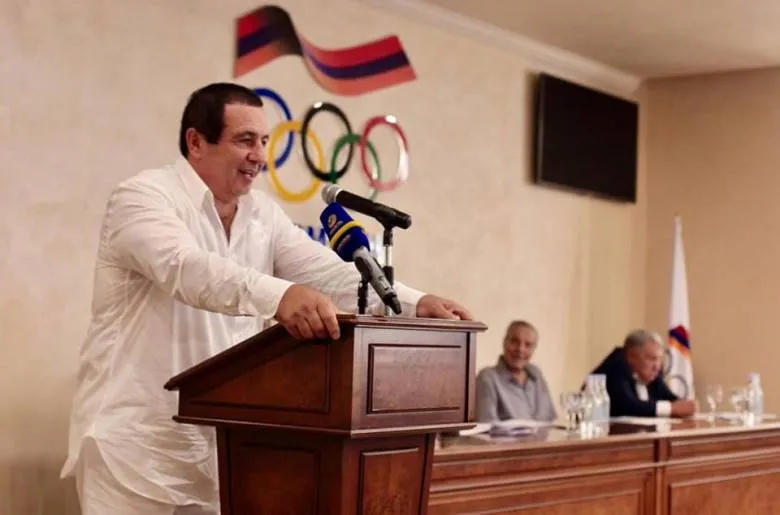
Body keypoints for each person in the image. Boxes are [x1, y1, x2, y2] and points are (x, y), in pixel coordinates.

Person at [61, 83, 473, 515]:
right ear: (196, 142)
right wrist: (281, 295)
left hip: (226, 454)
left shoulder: (263, 214)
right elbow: (186, 268)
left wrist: (415, 302)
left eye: (263, 141)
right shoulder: (142, 197)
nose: (259, 156)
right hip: (135, 455)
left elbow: (328, 273)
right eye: (245, 140)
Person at [589, 329, 696, 418]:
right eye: (652, 359)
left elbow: (669, 398)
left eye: (659, 359)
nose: (657, 366)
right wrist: (671, 408)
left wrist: (686, 405)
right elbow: (627, 406)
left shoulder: (651, 372)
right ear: (631, 356)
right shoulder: (616, 367)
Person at [475, 320, 556, 422]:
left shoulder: (536, 374)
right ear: (504, 342)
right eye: (514, 341)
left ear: (534, 349)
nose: (520, 349)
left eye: (528, 345)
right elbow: (486, 423)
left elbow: (549, 420)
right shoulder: (487, 377)